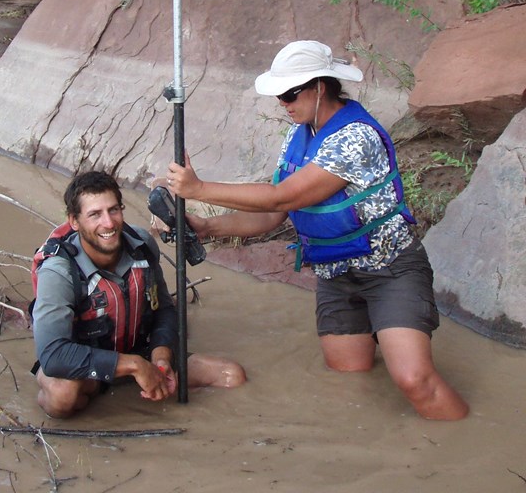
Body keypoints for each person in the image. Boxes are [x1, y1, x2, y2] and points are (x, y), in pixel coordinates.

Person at [166, 40, 469, 421]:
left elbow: (279, 198)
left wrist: (199, 189)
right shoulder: (299, 134)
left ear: (320, 87)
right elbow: (272, 218)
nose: (284, 103)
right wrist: (207, 226)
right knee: (347, 379)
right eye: (279, 96)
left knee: (413, 381)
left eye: (291, 93)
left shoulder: (354, 138)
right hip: (336, 275)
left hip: (389, 269)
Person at [31, 170, 246, 418]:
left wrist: (161, 356)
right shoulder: (59, 271)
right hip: (88, 367)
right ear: (74, 221)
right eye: (94, 215)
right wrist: (133, 366)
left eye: (113, 210)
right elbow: (53, 356)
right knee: (62, 396)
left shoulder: (141, 244)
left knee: (232, 375)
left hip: (141, 354)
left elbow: (164, 309)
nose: (109, 223)